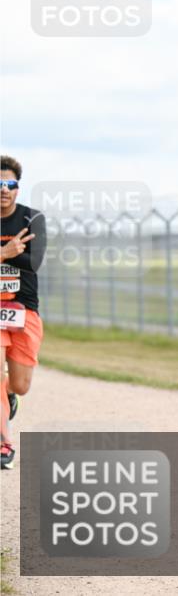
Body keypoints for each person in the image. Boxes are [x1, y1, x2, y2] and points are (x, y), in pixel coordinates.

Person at [1, 155, 47, 469]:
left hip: (23, 308)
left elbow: (34, 262)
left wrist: (8, 256)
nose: (4, 189)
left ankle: (9, 395)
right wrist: (4, 251)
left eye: (10, 183)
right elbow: (20, 255)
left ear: (18, 187)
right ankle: (4, 443)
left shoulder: (32, 218)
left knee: (20, 384)